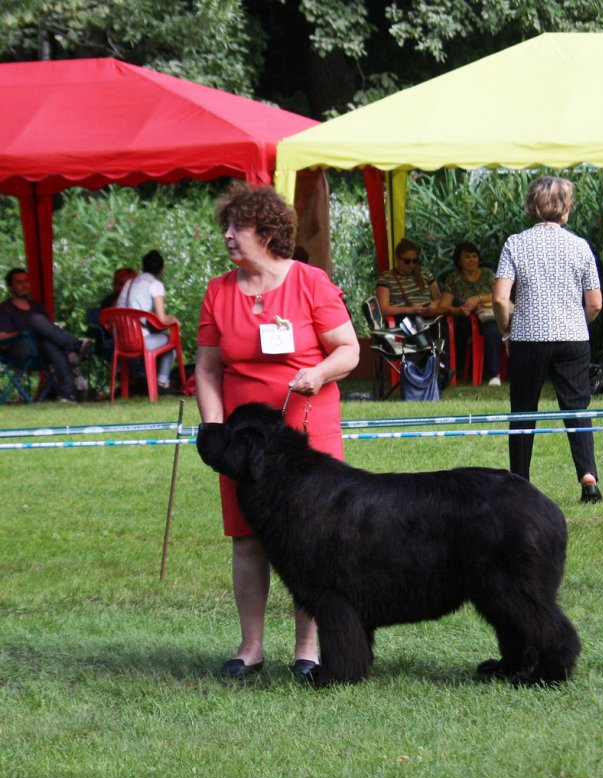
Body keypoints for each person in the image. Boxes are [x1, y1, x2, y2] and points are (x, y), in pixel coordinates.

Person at [195, 183, 359, 679]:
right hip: (245, 443)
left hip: (307, 432)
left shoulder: (310, 282)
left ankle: (308, 650)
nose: (227, 236)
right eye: (225, 226)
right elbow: (206, 369)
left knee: (309, 539)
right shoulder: (217, 292)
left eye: (237, 227)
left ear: (267, 233)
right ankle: (251, 649)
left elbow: (347, 350)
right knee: (247, 540)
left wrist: (319, 374)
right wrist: (215, 430)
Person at [492, 176, 603, 503]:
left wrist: (506, 331)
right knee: (577, 406)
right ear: (565, 209)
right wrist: (578, 324)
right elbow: (595, 302)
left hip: (528, 338)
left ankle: (520, 484)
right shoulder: (580, 246)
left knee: (523, 410)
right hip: (572, 338)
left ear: (532, 207)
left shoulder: (515, 243)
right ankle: (588, 478)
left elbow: (500, 299)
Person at [0, 268, 92, 403]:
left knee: (50, 343)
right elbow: (1, 340)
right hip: (19, 351)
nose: (25, 285)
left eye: (26, 281)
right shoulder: (4, 309)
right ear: (10, 287)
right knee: (36, 320)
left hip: (41, 351)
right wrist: (22, 332)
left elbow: (49, 332)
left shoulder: (37, 306)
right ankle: (75, 346)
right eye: (19, 282)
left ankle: (68, 394)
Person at [438, 241, 503, 386]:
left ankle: (494, 375)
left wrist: (478, 298)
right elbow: (444, 306)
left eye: (474, 256)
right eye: (467, 257)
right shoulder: (453, 278)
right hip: (466, 320)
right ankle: (457, 372)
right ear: (459, 260)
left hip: (488, 315)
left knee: (493, 329)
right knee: (452, 331)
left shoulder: (487, 274)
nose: (472, 260)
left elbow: (499, 294)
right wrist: (459, 310)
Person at [116, 250, 178, 392]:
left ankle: (132, 388)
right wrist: (174, 320)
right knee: (171, 343)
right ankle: (161, 384)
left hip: (121, 342)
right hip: (140, 341)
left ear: (142, 266)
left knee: (160, 341)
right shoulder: (155, 285)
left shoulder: (129, 283)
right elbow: (162, 319)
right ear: (162, 269)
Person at [375, 238, 441, 320]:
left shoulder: (424, 273)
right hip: (405, 319)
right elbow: (383, 308)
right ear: (397, 258)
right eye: (407, 261)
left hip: (429, 315)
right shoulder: (386, 278)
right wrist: (409, 310)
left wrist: (433, 305)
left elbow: (439, 299)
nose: (411, 264)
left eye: (415, 261)